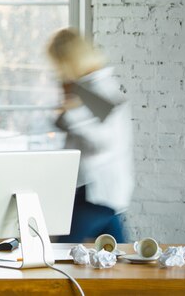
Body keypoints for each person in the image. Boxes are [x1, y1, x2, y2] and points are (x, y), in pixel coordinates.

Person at [47, 28, 134, 243]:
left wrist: (72, 114)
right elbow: (67, 125)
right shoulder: (84, 87)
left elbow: (105, 144)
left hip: (96, 190)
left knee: (62, 255)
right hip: (97, 191)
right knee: (120, 259)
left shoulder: (100, 88)